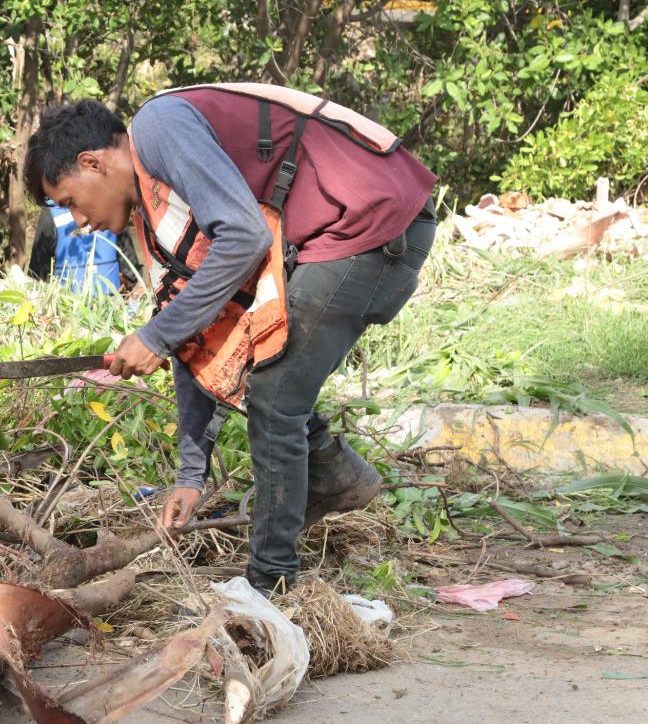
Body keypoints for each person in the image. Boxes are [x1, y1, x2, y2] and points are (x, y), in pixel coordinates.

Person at [22, 84, 437, 595]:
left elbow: (245, 234)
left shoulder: (157, 127)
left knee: (274, 395)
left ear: (93, 162)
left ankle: (271, 588)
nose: (80, 224)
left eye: (71, 203)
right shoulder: (153, 218)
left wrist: (156, 336)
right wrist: (190, 476)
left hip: (372, 222)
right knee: (265, 383)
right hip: (350, 231)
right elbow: (196, 335)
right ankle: (332, 474)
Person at [25, 201, 133, 293]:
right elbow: (131, 272)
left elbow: (38, 276)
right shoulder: (111, 204)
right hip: (112, 300)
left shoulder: (50, 210)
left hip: (66, 304)